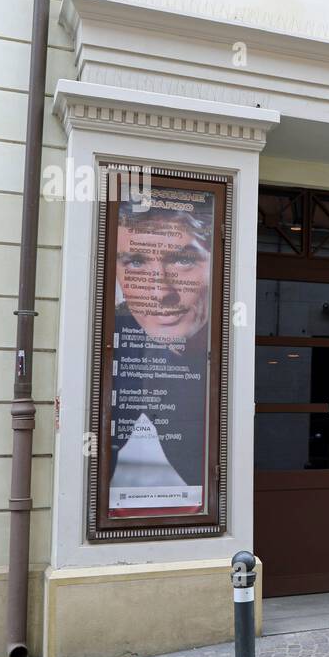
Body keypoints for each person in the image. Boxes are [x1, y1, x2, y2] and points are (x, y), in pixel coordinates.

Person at [107, 192, 214, 511]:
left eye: (183, 260)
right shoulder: (116, 347)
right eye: (136, 262)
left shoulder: (221, 357)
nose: (159, 292)